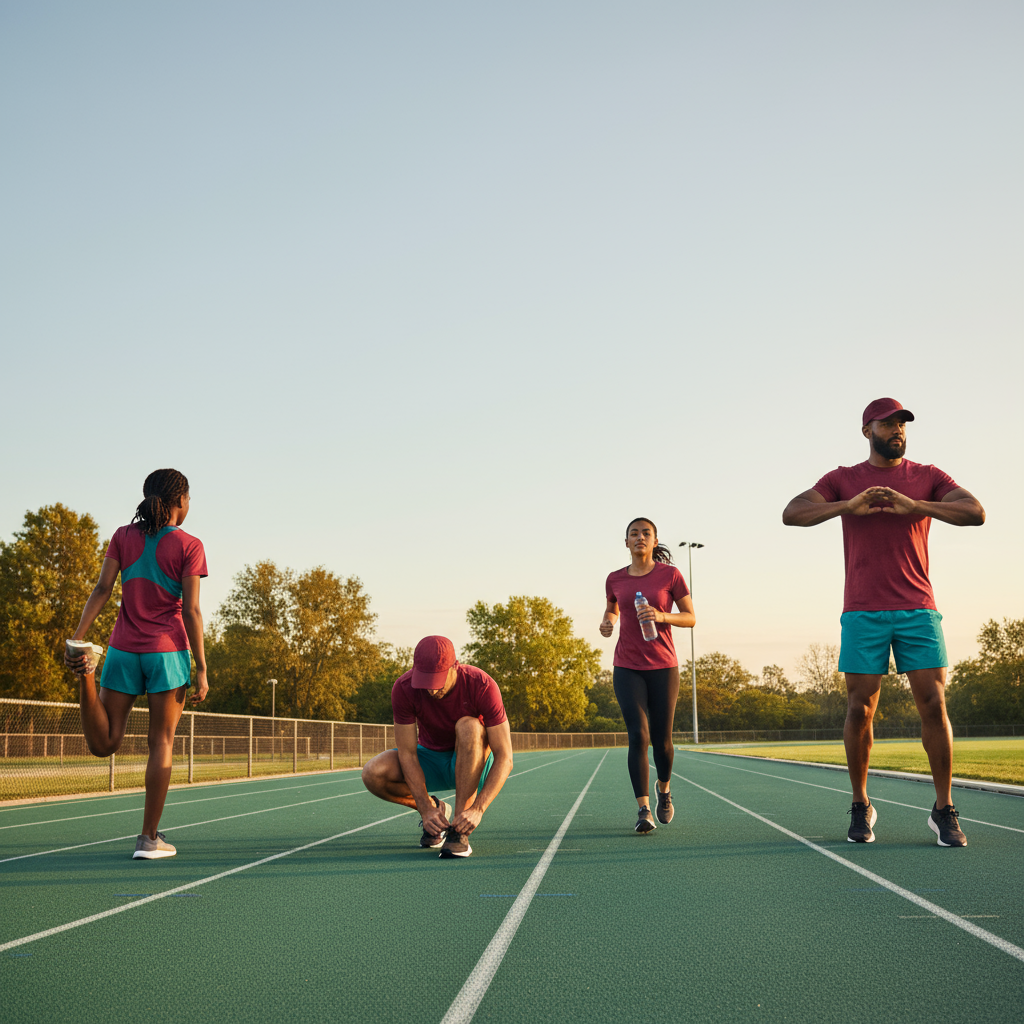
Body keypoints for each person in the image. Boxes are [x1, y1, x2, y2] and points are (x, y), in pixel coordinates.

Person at [782, 398, 985, 847]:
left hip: (918, 608)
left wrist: (916, 504)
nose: (897, 430)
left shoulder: (928, 476)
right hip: (862, 610)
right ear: (866, 430)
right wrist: (846, 507)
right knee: (860, 709)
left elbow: (975, 512)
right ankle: (861, 804)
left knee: (933, 703)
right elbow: (792, 513)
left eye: (901, 424)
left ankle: (944, 809)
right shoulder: (842, 479)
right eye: (887, 423)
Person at [64, 469, 208, 860]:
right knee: (160, 742)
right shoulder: (190, 544)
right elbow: (192, 610)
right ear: (180, 502)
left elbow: (102, 589)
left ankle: (87, 674)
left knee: (104, 743)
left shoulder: (122, 536)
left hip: (124, 650)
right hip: (167, 652)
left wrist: (79, 638)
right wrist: (201, 667)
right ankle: (148, 839)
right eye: (190, 498)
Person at [361, 635, 513, 859]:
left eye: (437, 681)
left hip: (476, 762)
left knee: (469, 725)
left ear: (455, 667)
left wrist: (478, 809)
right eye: (425, 681)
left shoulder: (481, 684)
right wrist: (425, 807)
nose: (431, 690)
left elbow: (505, 757)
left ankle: (458, 831)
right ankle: (437, 810)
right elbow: (408, 753)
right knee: (373, 773)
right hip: (431, 758)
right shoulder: (404, 688)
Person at [601, 517, 695, 834]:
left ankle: (664, 790)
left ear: (655, 541)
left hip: (663, 667)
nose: (640, 537)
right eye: (634, 533)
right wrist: (607, 623)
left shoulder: (671, 575)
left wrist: (660, 615)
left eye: (646, 533)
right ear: (626, 542)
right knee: (638, 736)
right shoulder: (614, 579)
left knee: (662, 743)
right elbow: (612, 607)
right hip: (627, 666)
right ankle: (643, 810)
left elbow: (691, 617)